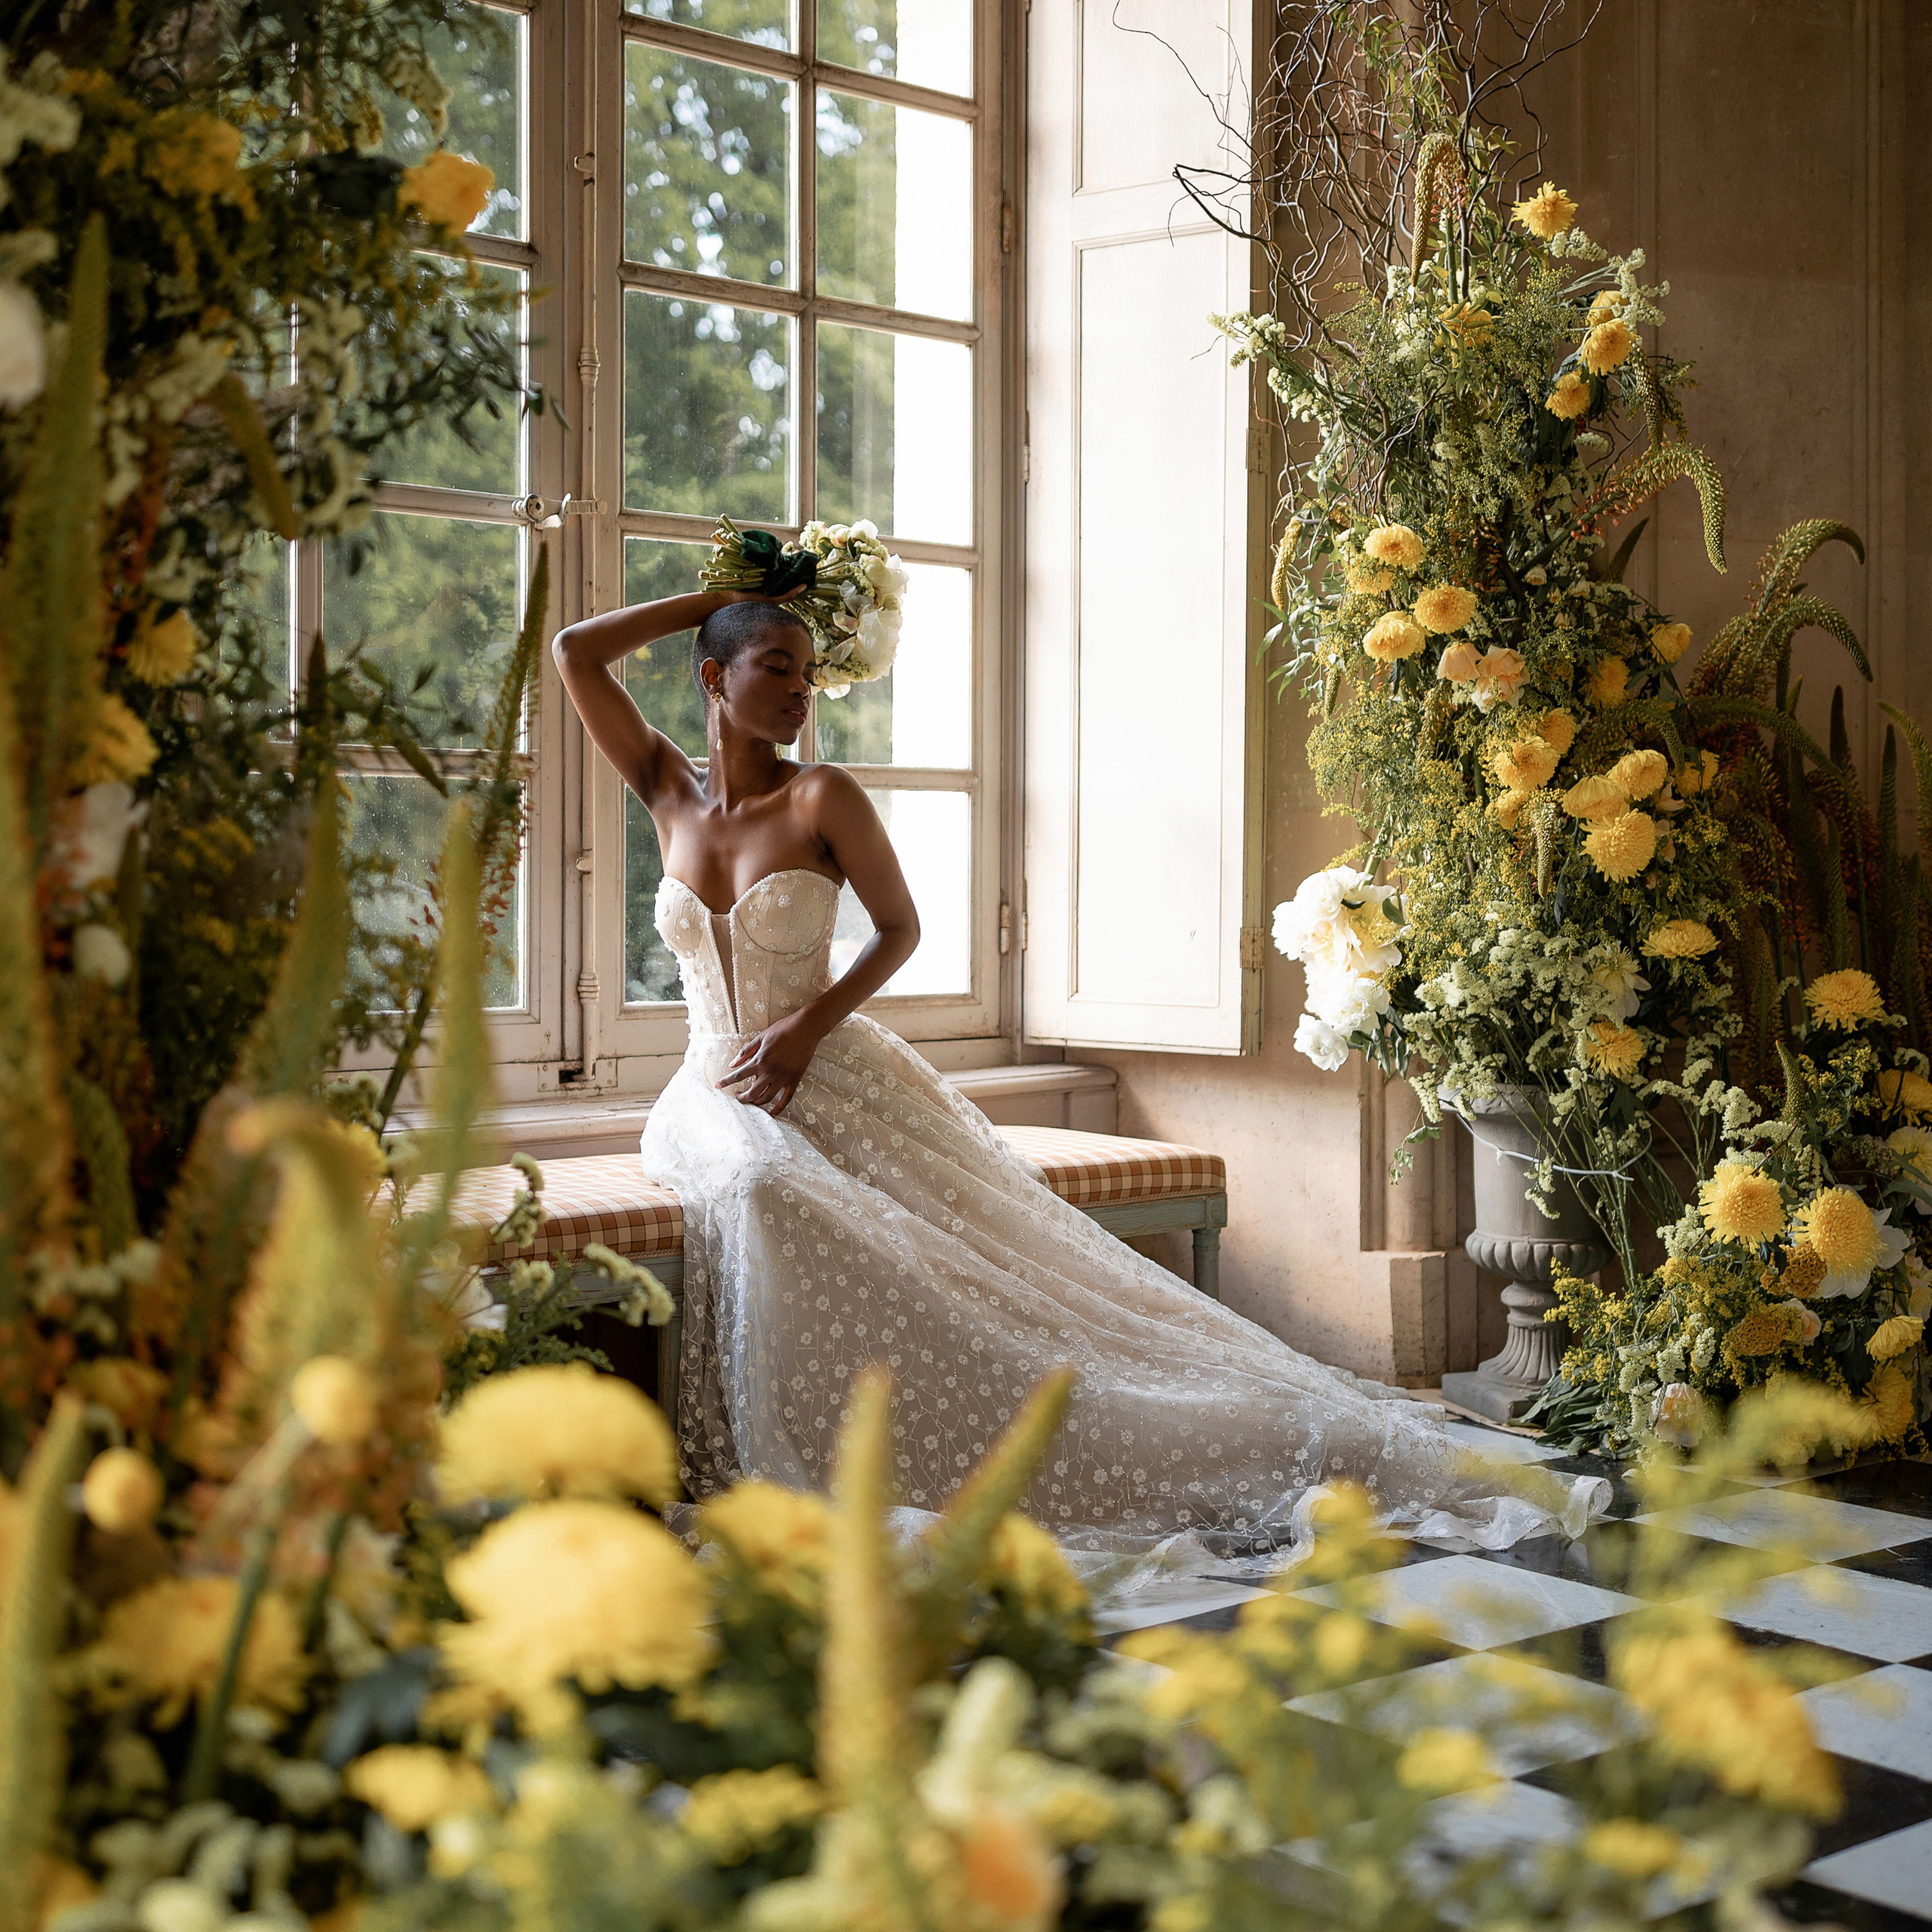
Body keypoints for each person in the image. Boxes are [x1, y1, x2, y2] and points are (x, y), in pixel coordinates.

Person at [553, 586, 1606, 1569]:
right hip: (709, 1094)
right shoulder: (665, 789)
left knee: (966, 1262)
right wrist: (729, 594)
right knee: (763, 1184)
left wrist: (802, 1033)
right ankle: (824, 1449)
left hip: (824, 1068)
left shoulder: (824, 794)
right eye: (774, 665)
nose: (796, 690)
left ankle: (1005, 1432)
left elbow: (901, 930)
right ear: (712, 677)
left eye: (807, 672)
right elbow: (572, 652)